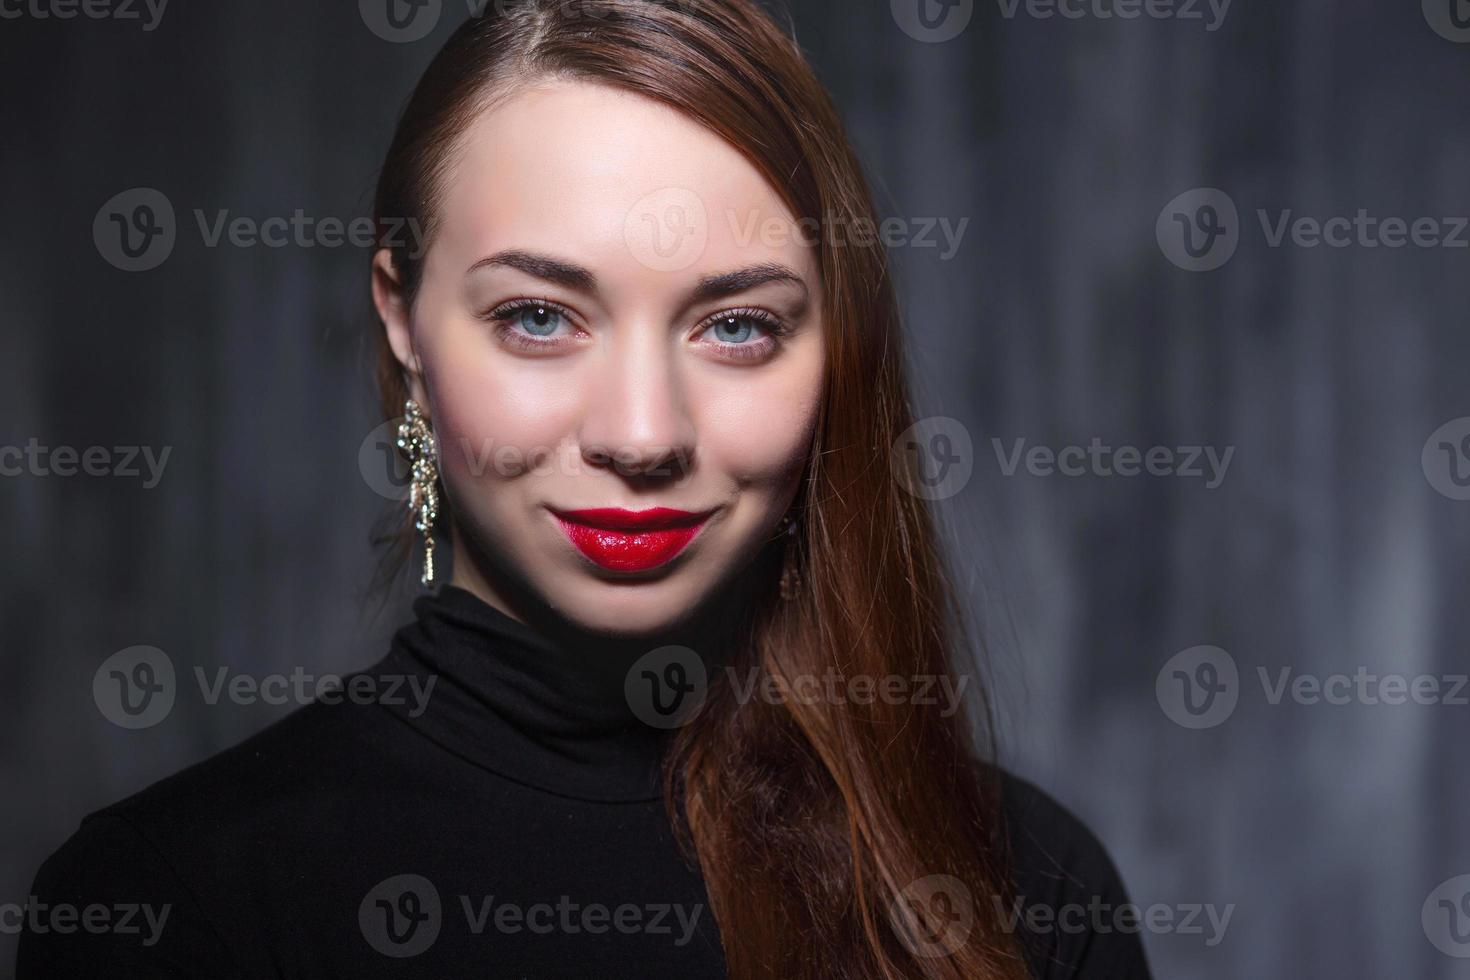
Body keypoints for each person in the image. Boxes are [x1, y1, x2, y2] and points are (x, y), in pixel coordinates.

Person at [19, 2, 1151, 977]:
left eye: (738, 326)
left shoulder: (1026, 888)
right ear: (403, 321)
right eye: (540, 317)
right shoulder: (170, 906)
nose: (642, 433)